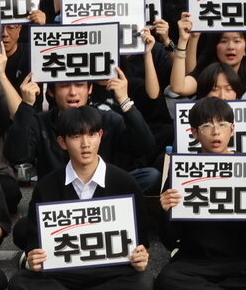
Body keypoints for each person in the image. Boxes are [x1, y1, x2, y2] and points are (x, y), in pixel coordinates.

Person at [11, 106, 151, 290]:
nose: (86, 143)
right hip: (61, 275)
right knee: (20, 282)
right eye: (76, 137)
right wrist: (34, 257)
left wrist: (141, 257)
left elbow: (141, 240)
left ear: (100, 135)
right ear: (62, 142)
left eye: (92, 134)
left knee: (143, 282)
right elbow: (35, 240)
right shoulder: (47, 186)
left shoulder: (125, 183)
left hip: (112, 273)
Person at [156, 97, 246, 290]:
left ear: (232, 130)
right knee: (167, 280)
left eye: (222, 124)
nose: (216, 132)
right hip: (196, 260)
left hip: (244, 258)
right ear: (194, 132)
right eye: (207, 126)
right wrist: (166, 212)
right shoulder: (182, 172)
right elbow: (169, 240)